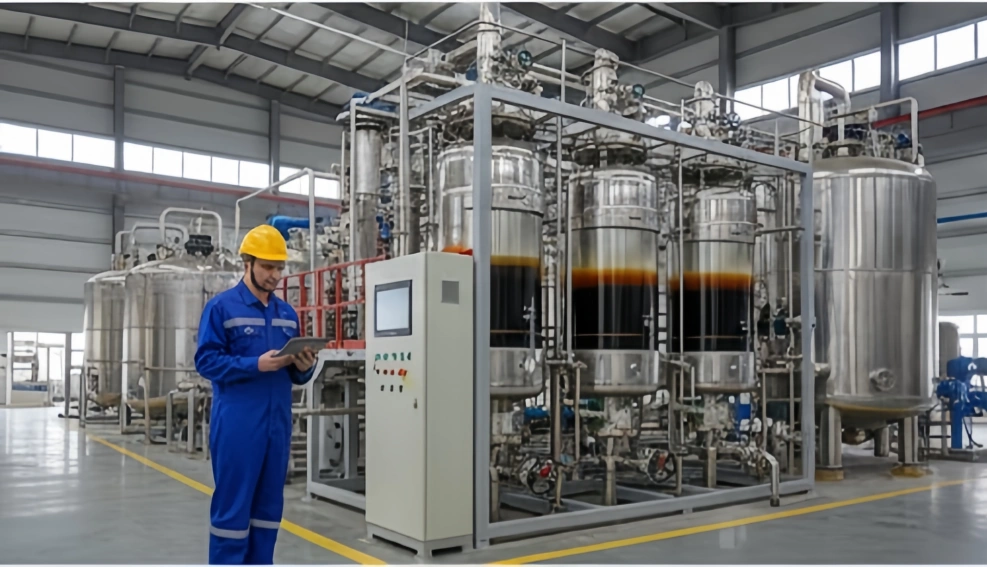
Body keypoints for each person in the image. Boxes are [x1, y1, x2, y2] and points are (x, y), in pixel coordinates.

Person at [194, 224, 317, 565]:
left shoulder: (287, 314)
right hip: (238, 424)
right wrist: (255, 365)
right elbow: (206, 361)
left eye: (279, 268)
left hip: (277, 424)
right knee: (233, 510)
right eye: (267, 267)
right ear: (246, 263)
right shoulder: (222, 308)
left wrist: (304, 366)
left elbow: (295, 373)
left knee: (268, 510)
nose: (275, 275)